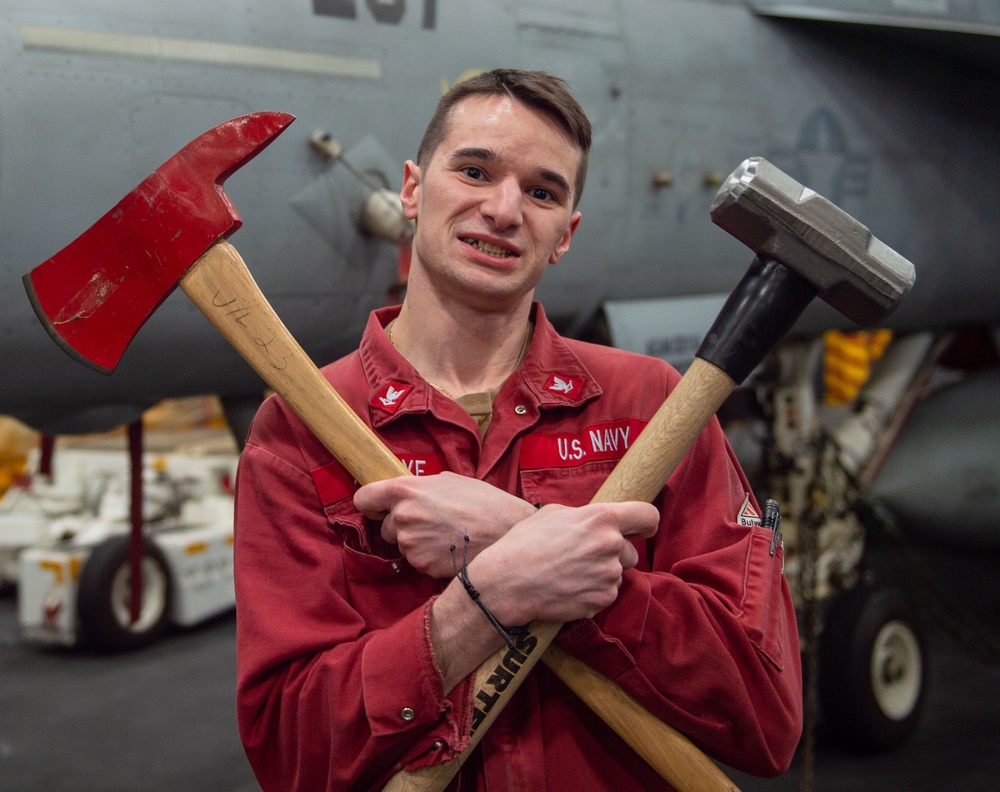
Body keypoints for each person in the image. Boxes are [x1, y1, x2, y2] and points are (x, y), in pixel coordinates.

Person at [234, 69, 802, 791]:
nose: (504, 209)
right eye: (475, 170)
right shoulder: (299, 430)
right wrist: (486, 600)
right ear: (411, 189)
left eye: (542, 191)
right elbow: (293, 752)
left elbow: (764, 713)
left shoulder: (652, 406)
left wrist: (539, 547)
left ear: (566, 233)